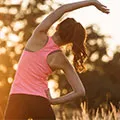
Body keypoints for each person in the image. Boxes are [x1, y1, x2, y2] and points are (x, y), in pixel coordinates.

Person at [4, 0, 109, 119]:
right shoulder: (61, 59)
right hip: (40, 101)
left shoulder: (39, 35)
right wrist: (54, 101)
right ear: (70, 41)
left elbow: (62, 9)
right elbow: (80, 91)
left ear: (58, 26)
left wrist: (91, 2)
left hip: (17, 98)